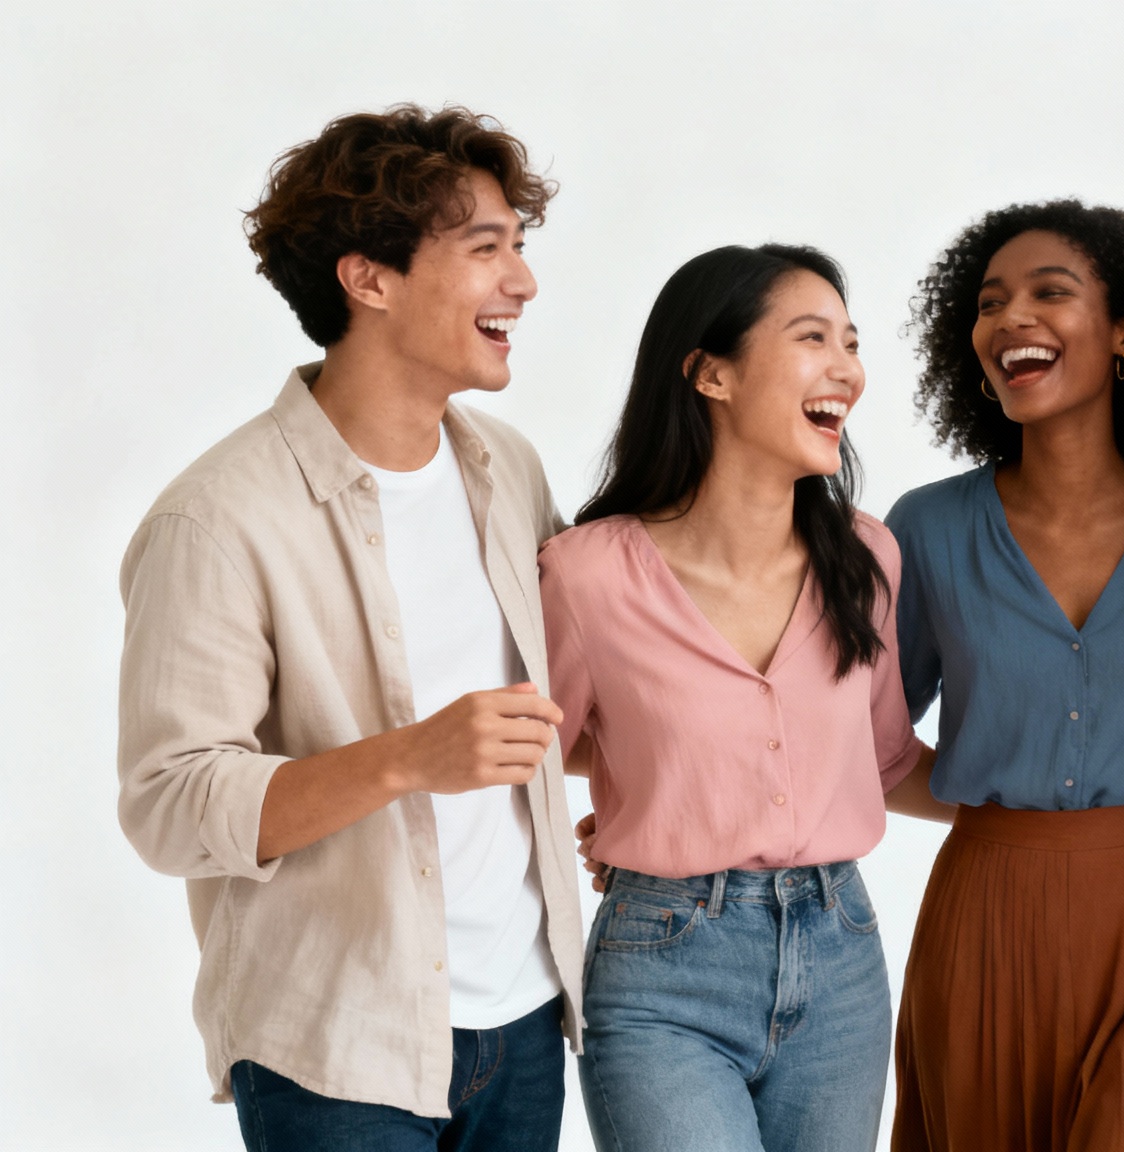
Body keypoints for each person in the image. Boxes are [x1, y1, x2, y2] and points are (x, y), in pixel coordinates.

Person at [116, 105, 584, 1150]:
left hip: (524, 1014)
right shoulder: (217, 519)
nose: (523, 281)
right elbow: (169, 802)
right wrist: (407, 758)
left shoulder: (507, 468)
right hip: (338, 1044)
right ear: (367, 278)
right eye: (484, 247)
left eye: (520, 245)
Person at [543, 244, 950, 1152]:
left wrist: (1100, 812)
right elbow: (531, 753)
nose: (848, 370)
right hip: (663, 967)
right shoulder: (588, 575)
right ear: (710, 373)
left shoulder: (867, 555)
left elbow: (885, 762)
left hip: (843, 954)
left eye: (852, 343)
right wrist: (649, 798)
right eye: (814, 338)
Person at [885, 200, 1124, 1150]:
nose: (1011, 318)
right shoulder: (926, 528)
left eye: (1051, 292)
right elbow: (864, 738)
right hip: (985, 925)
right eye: (989, 301)